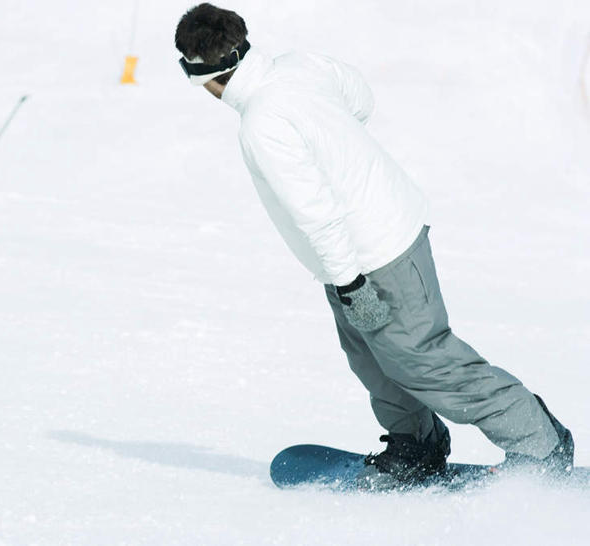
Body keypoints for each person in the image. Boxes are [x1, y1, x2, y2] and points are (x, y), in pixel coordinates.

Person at [174, 3, 574, 487]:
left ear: (199, 73)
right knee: (372, 357)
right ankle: (416, 442)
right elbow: (359, 97)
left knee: (423, 359)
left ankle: (539, 443)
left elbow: (315, 212)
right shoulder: (299, 67)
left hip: (374, 254)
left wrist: (350, 282)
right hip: (351, 256)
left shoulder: (261, 122)